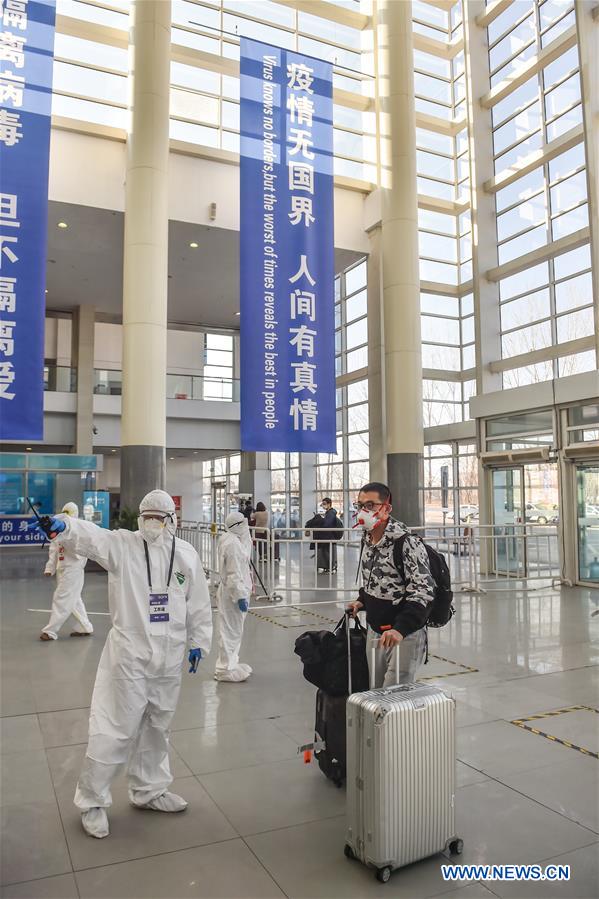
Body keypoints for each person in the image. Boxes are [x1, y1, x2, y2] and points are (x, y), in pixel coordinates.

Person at [30, 489, 212, 839]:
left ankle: (149, 789)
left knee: (158, 727)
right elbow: (90, 536)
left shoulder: (185, 553)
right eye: (148, 516)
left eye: (160, 517)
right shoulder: (123, 545)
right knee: (115, 727)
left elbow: (199, 603)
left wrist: (199, 642)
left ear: (172, 519)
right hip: (129, 655)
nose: (153, 523)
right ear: (139, 518)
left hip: (169, 657)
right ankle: (92, 800)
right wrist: (63, 525)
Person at [348, 482, 434, 688]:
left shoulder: (407, 543)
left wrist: (401, 629)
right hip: (376, 630)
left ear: (386, 508)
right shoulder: (367, 539)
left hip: (403, 635)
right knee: (375, 691)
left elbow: (423, 590)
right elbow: (376, 579)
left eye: (370, 505)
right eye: (360, 505)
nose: (363, 511)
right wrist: (361, 601)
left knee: (394, 698)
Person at [40, 502, 94, 642]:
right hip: (61, 568)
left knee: (61, 597)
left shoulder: (79, 530)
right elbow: (54, 550)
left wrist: (66, 534)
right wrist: (49, 568)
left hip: (73, 569)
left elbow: (80, 550)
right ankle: (85, 627)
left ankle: (50, 631)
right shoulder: (58, 529)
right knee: (74, 599)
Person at [215, 511, 253, 682]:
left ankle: (231, 664)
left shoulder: (230, 539)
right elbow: (233, 573)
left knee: (234, 631)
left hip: (232, 591)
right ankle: (224, 669)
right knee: (230, 631)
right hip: (233, 595)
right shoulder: (233, 545)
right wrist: (240, 596)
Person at [316, 498, 339, 573]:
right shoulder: (330, 512)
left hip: (328, 536)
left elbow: (327, 524)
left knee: (327, 552)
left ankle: (330, 567)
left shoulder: (330, 513)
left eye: (324, 503)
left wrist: (321, 521)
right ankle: (330, 567)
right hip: (330, 536)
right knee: (328, 552)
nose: (323, 505)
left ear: (329, 504)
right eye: (322, 503)